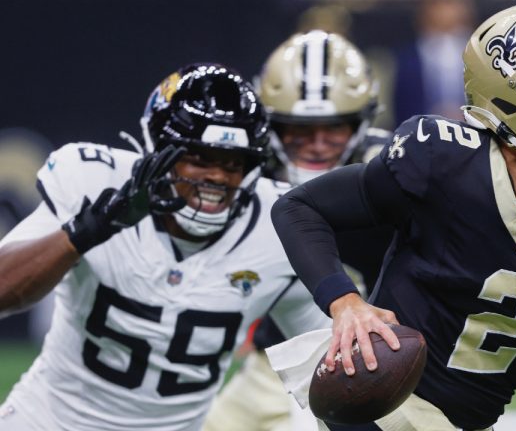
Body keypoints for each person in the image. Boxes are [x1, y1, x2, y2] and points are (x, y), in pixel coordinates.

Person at [270, 3, 516, 430]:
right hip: (388, 404)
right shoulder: (440, 159)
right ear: (513, 98)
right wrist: (345, 303)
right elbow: (298, 206)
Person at [0, 63, 330, 431]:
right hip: (46, 422)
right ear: (157, 150)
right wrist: (84, 233)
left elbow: (327, 359)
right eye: (199, 159)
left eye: (232, 163)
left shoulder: (278, 225)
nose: (216, 177)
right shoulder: (95, 182)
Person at [203, 31, 393, 431]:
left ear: (360, 124)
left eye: (334, 128)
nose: (317, 144)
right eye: (299, 129)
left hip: (376, 358)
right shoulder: (250, 170)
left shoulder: (392, 169)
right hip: (274, 359)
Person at [392, 0, 476, 125]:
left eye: (450, 3)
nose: (444, 12)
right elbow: (402, 108)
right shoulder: (407, 59)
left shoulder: (480, 53)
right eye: (437, 4)